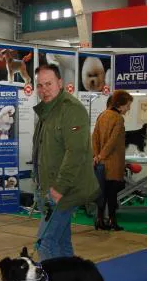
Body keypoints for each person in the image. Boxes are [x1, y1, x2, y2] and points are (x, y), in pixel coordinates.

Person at [32, 63, 99, 260]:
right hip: (52, 187)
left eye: (49, 84)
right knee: (61, 241)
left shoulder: (71, 109)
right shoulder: (48, 110)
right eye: (40, 85)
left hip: (65, 190)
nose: (44, 89)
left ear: (60, 83)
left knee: (44, 242)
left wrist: (59, 188)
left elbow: (76, 152)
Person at [91, 90, 131, 231]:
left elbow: (94, 137)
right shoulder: (118, 118)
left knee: (102, 192)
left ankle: (100, 220)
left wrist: (96, 156)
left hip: (101, 164)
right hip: (113, 164)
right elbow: (113, 141)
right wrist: (102, 155)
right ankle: (113, 222)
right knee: (112, 195)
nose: (129, 108)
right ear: (120, 105)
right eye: (128, 105)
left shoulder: (102, 115)